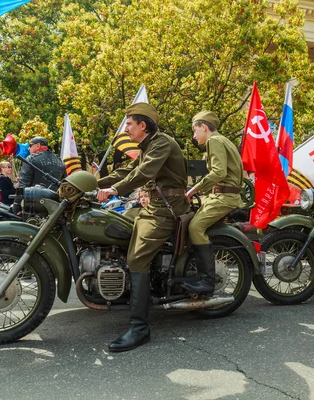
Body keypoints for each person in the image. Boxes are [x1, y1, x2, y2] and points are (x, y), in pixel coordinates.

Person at [96, 102, 189, 353]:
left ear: (142, 125)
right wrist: (91, 183)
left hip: (166, 210)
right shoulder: (149, 145)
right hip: (151, 207)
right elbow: (128, 170)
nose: (125, 128)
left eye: (128, 123)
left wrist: (114, 190)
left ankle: (139, 327)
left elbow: (145, 173)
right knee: (115, 228)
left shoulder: (161, 143)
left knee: (136, 259)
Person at [183, 111, 244, 294]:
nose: (194, 136)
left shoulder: (214, 141)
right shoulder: (223, 140)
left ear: (204, 127)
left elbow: (218, 173)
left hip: (224, 196)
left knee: (194, 228)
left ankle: (207, 281)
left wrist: (193, 190)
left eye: (195, 130)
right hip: (224, 194)